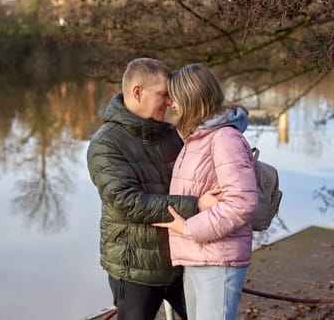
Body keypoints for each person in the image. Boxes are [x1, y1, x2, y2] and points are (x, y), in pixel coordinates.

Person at [87, 58, 217, 320]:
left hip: (182, 261)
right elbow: (129, 203)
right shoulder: (105, 145)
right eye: (164, 94)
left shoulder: (173, 134)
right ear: (138, 92)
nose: (171, 102)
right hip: (136, 270)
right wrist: (197, 205)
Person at [153, 63, 258, 320]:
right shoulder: (196, 139)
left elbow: (242, 203)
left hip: (217, 259)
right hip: (199, 255)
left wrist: (189, 229)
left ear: (190, 98)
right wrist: (198, 205)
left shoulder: (224, 139)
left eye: (174, 97)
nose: (171, 104)